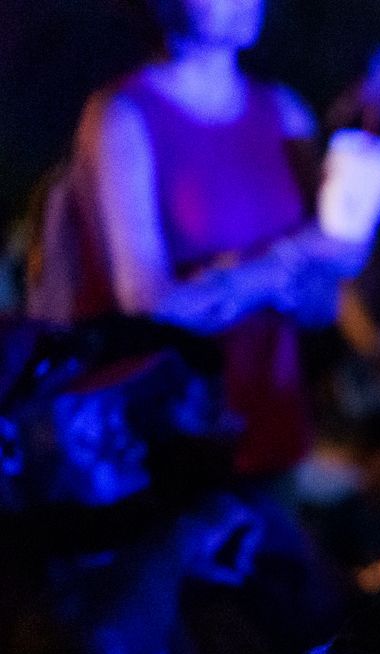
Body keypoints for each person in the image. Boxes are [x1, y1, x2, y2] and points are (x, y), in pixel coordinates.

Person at [52, 0, 361, 481]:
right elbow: (145, 304)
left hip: (267, 422)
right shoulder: (122, 116)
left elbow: (323, 302)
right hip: (158, 445)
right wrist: (283, 264)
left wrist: (345, 244)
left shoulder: (284, 112)